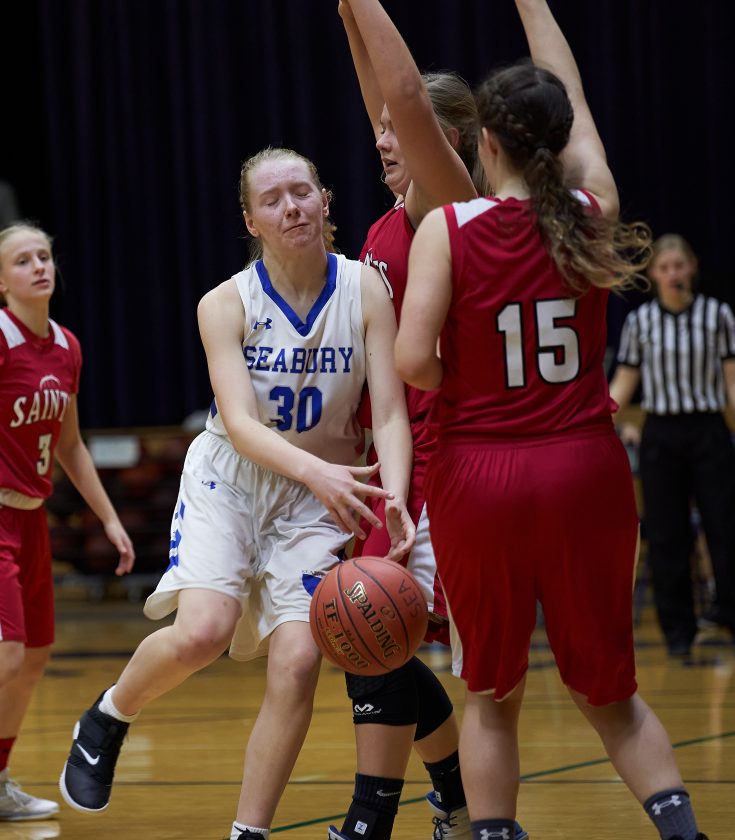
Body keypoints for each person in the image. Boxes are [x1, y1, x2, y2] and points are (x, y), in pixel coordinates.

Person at [394, 1, 710, 839]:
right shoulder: (591, 210)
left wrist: (472, 372)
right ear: (559, 138)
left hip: (481, 474)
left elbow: (412, 362)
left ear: (484, 144)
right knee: (611, 694)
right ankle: (682, 831)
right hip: (584, 466)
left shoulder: (448, 229)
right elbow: (578, 112)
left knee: (491, 695)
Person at [59, 147, 416, 840]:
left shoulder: (365, 289)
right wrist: (318, 472)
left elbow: (393, 413)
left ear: (325, 200)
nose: (291, 208)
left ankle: (247, 832)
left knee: (299, 659)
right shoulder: (225, 303)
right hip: (233, 477)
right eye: (272, 200)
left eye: (301, 192)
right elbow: (243, 425)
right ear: (251, 220)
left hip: (320, 496)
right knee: (203, 633)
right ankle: (109, 714)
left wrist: (394, 497)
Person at [332, 3, 527, 840]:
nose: (382, 138)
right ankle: (445, 797)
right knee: (369, 634)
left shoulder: (444, 208)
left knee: (381, 635)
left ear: (444, 142)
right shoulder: (395, 212)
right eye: (376, 127)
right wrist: (348, 13)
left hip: (447, 460)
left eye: (395, 130)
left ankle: (388, 815)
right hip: (393, 457)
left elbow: (403, 94)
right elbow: (386, 95)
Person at [0, 223, 135, 821]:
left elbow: (71, 444)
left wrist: (109, 518)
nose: (38, 266)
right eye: (22, 260)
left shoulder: (66, 346)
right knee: (7, 655)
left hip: (32, 520)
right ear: (1, 281)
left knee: (33, 658)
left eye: (44, 256)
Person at [610, 232, 735, 657]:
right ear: (653, 274)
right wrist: (594, 419)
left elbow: (731, 383)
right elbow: (624, 382)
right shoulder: (640, 322)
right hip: (662, 435)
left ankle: (727, 611)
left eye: (679, 265)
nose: (673, 274)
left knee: (723, 526)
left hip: (708, 430)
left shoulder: (718, 315)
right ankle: (678, 631)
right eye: (664, 268)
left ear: (692, 268)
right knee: (667, 534)